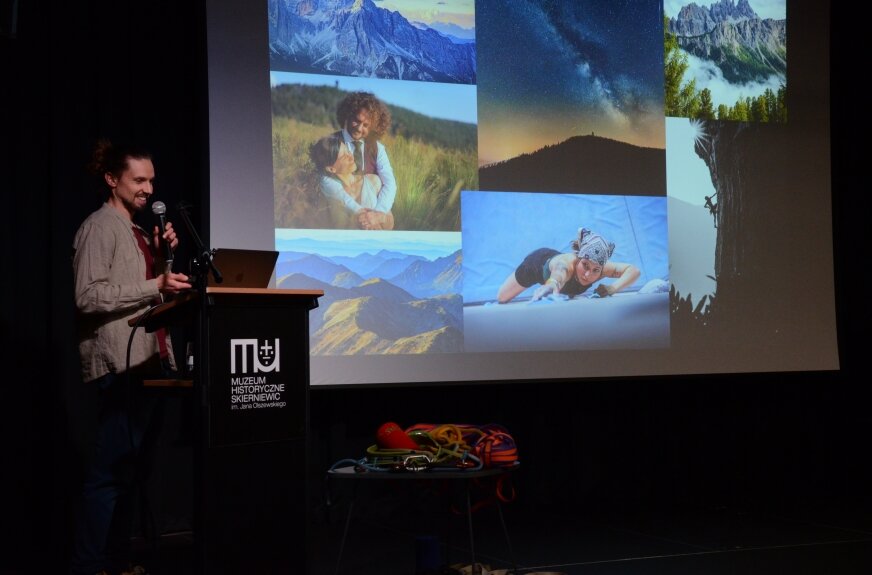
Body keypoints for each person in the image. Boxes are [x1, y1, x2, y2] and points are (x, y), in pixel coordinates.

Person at [70, 139, 191, 575]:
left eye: (151, 180)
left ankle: (116, 562)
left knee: (129, 474)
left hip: (148, 365)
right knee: (108, 475)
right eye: (138, 180)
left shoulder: (138, 230)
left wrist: (161, 258)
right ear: (111, 179)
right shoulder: (100, 226)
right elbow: (87, 298)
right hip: (120, 367)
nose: (148, 188)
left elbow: (145, 291)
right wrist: (156, 284)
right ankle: (88, 566)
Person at [317, 91, 397, 230]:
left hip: (372, 212)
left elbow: (390, 183)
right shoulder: (331, 143)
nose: (359, 128)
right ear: (348, 114)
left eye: (366, 125)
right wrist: (358, 211)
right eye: (357, 121)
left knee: (387, 215)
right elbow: (324, 179)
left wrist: (378, 213)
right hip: (341, 213)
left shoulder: (377, 148)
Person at [497, 228, 640, 303]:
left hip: (558, 267)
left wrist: (612, 288)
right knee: (502, 298)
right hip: (536, 265)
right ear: (578, 258)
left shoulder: (601, 269)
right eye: (585, 265)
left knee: (571, 292)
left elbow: (634, 270)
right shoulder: (566, 265)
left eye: (596, 270)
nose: (588, 274)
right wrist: (552, 285)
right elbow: (559, 273)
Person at [310, 133, 395, 230]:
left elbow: (390, 224)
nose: (351, 156)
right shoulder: (328, 191)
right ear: (331, 169)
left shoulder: (373, 181)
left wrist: (380, 217)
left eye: (348, 151)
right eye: (344, 157)